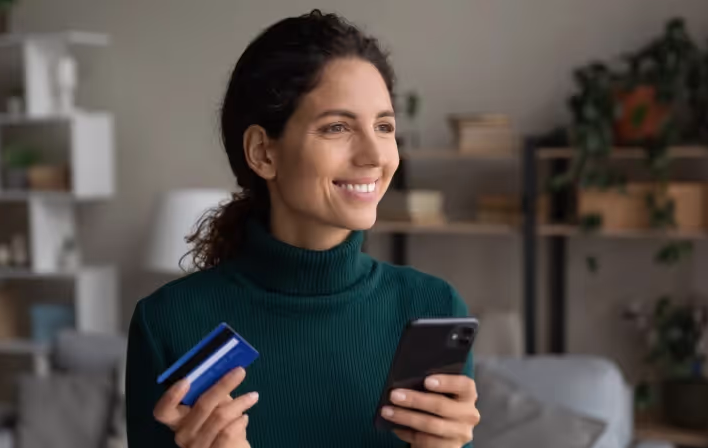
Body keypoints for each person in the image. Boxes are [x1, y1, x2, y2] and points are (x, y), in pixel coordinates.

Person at [126, 10, 479, 448]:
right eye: (337, 127)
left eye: (384, 126)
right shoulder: (170, 322)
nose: (375, 154)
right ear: (263, 152)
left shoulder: (432, 307)